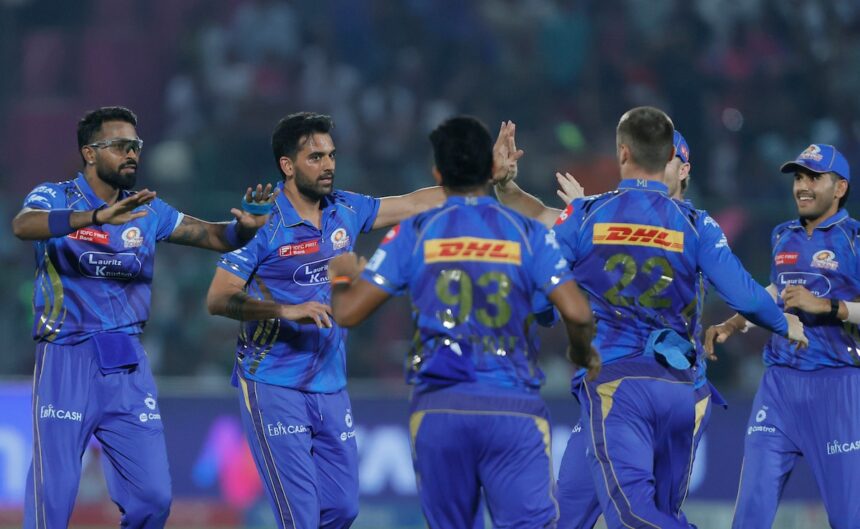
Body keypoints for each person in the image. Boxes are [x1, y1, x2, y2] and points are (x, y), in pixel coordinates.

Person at [495, 106, 806, 528]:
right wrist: (507, 186)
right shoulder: (696, 226)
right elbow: (745, 293)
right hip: (670, 390)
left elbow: (548, 246)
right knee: (576, 516)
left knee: (640, 516)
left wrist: (548, 307)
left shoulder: (593, 214)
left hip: (631, 384)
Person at [324, 115, 599, 529]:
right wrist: (582, 353)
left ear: (437, 173)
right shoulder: (527, 232)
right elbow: (577, 312)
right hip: (513, 407)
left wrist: (342, 277)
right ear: (490, 168)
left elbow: (347, 313)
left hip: (440, 407)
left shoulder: (414, 233)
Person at [11, 106, 275, 529]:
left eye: (135, 145)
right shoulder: (55, 197)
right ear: (90, 153)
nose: (132, 154)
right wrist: (95, 217)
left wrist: (244, 229)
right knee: (53, 493)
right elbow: (24, 226)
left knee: (153, 498)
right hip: (66, 355)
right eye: (120, 146)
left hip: (127, 364)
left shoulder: (148, 210)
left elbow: (214, 236)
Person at [205, 112, 447, 529]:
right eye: (315, 157)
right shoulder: (261, 222)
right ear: (288, 165)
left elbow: (415, 203)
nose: (329, 165)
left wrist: (485, 180)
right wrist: (285, 310)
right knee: (299, 518)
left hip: (330, 383)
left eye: (331, 155)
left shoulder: (345, 209)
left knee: (342, 508)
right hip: (273, 382)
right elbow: (218, 298)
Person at [548, 129, 724, 528]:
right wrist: (572, 207)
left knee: (649, 516)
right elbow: (549, 219)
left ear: (684, 170)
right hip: (613, 389)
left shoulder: (696, 229)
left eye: (665, 159)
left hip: (674, 392)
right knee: (566, 515)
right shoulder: (608, 215)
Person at [705, 144, 860, 528]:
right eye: (799, 177)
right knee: (750, 515)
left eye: (814, 178)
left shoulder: (854, 239)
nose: (802, 186)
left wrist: (827, 306)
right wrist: (734, 323)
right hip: (778, 387)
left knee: (848, 518)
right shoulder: (782, 235)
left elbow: (819, 302)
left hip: (837, 386)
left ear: (840, 188)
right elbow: (775, 292)